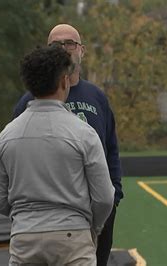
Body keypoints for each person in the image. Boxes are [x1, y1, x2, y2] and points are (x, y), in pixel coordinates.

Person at [0, 46, 114, 265]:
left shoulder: (7, 135)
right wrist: (93, 226)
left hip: (25, 237)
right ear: (64, 81)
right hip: (72, 236)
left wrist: (26, 218)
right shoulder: (83, 133)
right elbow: (104, 197)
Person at [12, 24, 123, 266]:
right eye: (56, 45)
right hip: (52, 216)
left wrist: (114, 195)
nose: (64, 50)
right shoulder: (28, 102)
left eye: (70, 43)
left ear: (82, 50)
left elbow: (111, 149)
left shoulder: (96, 97)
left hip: (98, 209)